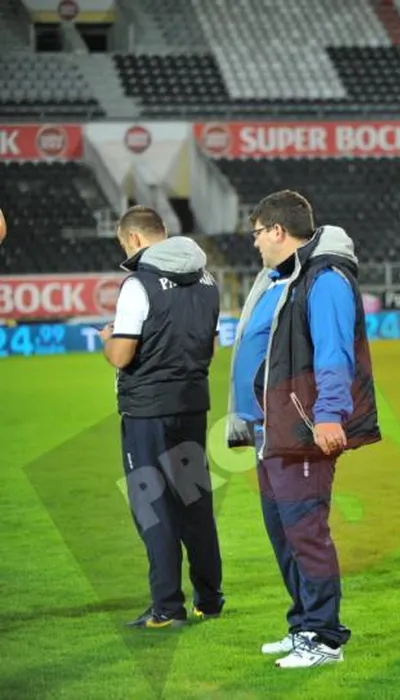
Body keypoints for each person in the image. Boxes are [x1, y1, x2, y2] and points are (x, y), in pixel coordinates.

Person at [225, 190, 381, 668]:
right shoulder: (281, 280)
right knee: (285, 536)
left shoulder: (325, 279)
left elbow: (334, 352)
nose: (255, 243)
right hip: (272, 430)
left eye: (258, 233)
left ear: (277, 230)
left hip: (304, 428)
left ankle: (325, 638)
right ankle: (303, 627)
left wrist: (329, 414)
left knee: (306, 534)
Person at [100, 205, 224, 629]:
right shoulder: (208, 279)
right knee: (194, 502)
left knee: (153, 508)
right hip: (191, 405)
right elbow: (211, 346)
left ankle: (167, 607)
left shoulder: (139, 284)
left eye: (124, 243)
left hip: (148, 413)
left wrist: (107, 338)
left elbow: (122, 354)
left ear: (134, 239)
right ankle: (210, 599)